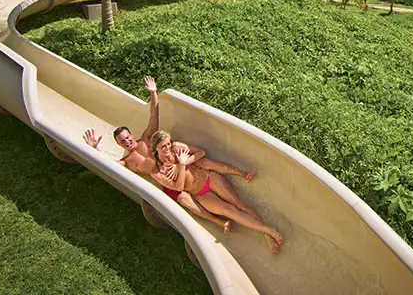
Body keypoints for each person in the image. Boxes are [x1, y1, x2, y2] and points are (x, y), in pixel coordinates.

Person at [83, 76, 234, 233]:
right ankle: (217, 221)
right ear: (119, 144)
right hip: (166, 181)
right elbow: (108, 166)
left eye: (127, 137)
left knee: (201, 164)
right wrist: (94, 150)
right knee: (184, 199)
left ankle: (236, 176)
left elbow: (154, 116)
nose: (127, 142)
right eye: (123, 141)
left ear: (131, 135)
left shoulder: (147, 139)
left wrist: (153, 93)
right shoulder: (127, 162)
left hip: (178, 167)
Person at [151, 131, 285, 255]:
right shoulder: (157, 171)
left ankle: (267, 232)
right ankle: (267, 230)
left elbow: (201, 153)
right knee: (229, 210)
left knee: (238, 204)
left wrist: (186, 161)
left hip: (209, 178)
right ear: (155, 149)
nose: (167, 149)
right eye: (163, 147)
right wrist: (181, 165)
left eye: (168, 144)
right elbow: (179, 187)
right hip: (201, 194)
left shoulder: (176, 148)